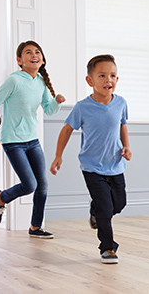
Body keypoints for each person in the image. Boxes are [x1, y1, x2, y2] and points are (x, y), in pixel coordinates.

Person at [49, 54, 131, 264]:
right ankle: (108, 247)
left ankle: (95, 210)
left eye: (112, 75)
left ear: (117, 79)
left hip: (115, 165)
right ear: (90, 81)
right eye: (102, 75)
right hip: (92, 167)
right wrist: (58, 155)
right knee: (106, 209)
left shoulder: (120, 103)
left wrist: (127, 147)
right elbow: (66, 130)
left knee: (118, 204)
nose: (108, 80)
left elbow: (122, 125)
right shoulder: (82, 107)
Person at [0, 40, 65, 238]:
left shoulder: (40, 82)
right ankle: (1, 198)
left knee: (43, 185)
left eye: (37, 52)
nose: (34, 55)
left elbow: (48, 110)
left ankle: (35, 227)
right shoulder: (14, 80)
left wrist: (56, 102)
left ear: (42, 59)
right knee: (29, 185)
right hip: (12, 141)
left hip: (32, 140)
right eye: (28, 52)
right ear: (19, 60)